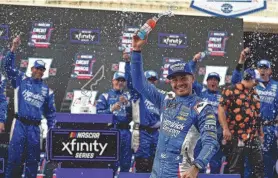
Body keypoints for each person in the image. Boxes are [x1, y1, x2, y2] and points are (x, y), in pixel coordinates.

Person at [131, 33, 219, 178]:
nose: (179, 84)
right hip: (157, 173)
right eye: (174, 80)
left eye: (183, 78)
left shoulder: (202, 108)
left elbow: (211, 142)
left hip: (181, 174)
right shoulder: (166, 98)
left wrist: (197, 166)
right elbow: (139, 84)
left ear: (192, 78)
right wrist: (136, 51)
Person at [2, 36, 56, 178]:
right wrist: (13, 49)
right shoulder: (21, 80)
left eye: (42, 69)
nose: (39, 71)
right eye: (37, 68)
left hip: (35, 128)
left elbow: (50, 114)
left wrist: (52, 131)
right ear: (32, 68)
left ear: (44, 72)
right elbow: (7, 68)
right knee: (14, 160)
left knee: (33, 162)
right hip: (19, 124)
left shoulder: (47, 90)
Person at [231, 48, 278, 178]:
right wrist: (241, 60)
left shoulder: (276, 86)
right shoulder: (250, 83)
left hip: (269, 129)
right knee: (247, 163)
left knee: (267, 163)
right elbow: (234, 82)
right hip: (250, 129)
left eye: (265, 67)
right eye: (260, 67)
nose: (262, 70)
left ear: (270, 71)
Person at [218, 68, 264, 178]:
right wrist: (225, 129)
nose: (256, 84)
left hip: (253, 136)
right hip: (236, 135)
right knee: (236, 167)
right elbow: (221, 110)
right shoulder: (231, 90)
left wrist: (260, 133)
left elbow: (257, 115)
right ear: (249, 78)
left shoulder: (255, 93)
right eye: (256, 81)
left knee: (259, 166)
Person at [123, 52, 161, 173]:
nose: (152, 82)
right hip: (142, 132)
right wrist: (128, 63)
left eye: (154, 80)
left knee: (157, 163)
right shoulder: (138, 93)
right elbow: (130, 81)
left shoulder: (159, 96)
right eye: (149, 79)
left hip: (156, 133)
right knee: (143, 163)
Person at [187, 56, 224, 174]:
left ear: (218, 83)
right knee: (199, 164)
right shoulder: (200, 91)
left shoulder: (222, 96)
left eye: (216, 80)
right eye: (211, 79)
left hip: (216, 134)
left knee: (215, 165)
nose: (213, 81)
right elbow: (189, 77)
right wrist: (193, 61)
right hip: (200, 134)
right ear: (206, 81)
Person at [96, 71, 132, 173]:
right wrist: (111, 109)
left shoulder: (128, 96)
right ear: (113, 81)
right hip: (111, 131)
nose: (120, 83)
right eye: (118, 80)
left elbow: (136, 115)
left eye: (122, 81)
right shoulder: (105, 96)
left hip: (125, 131)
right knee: (110, 162)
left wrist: (128, 104)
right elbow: (98, 114)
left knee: (126, 162)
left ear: (125, 83)